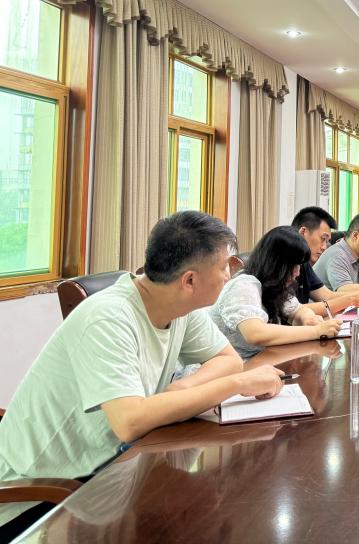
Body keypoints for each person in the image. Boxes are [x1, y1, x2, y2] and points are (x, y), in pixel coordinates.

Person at [0, 212, 284, 536]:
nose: (228, 275)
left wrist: (183, 388)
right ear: (189, 281)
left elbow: (228, 360)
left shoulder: (178, 307)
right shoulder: (109, 317)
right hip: (38, 499)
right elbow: (129, 422)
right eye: (223, 267)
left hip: (112, 475)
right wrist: (237, 384)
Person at [207, 227, 343, 360]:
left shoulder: (274, 285)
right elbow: (256, 334)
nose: (297, 273)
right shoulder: (243, 285)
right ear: (276, 263)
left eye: (299, 266)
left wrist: (308, 318)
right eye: (293, 266)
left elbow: (298, 310)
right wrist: (317, 332)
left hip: (262, 361)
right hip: (232, 366)